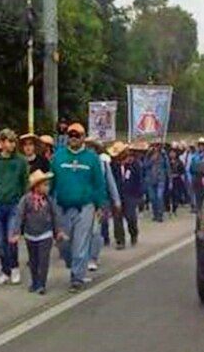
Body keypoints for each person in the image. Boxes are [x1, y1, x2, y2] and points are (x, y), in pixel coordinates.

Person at [50, 123, 107, 293]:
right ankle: (72, 263)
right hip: (63, 206)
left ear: (83, 137)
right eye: (71, 135)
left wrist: (100, 205)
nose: (73, 138)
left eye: (77, 135)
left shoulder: (92, 158)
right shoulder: (58, 157)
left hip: (85, 206)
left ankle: (77, 277)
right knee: (64, 244)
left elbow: (99, 184)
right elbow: (51, 182)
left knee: (80, 244)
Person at [8, 170, 65, 294]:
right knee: (33, 260)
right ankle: (34, 281)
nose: (47, 187)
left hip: (46, 234)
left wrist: (58, 231)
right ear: (36, 186)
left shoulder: (49, 200)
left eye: (48, 185)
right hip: (30, 234)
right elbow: (19, 215)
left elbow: (55, 215)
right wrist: (16, 232)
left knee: (43, 260)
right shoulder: (26, 199)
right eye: (45, 185)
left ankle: (42, 284)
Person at [0, 129, 29, 286]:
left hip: (14, 204)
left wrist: (23, 203)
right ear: (1, 142)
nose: (12, 145)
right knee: (0, 241)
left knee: (11, 239)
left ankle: (14, 267)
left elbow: (24, 183)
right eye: (9, 141)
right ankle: (4, 270)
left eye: (13, 142)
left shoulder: (20, 161)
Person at [88, 139, 121, 274]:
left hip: (99, 201)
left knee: (96, 231)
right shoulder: (78, 163)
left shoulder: (102, 163)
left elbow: (110, 181)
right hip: (82, 201)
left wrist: (116, 200)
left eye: (92, 149)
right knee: (83, 232)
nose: (90, 151)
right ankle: (83, 255)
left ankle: (93, 258)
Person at [111, 142, 143, 249]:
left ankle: (134, 234)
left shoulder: (134, 164)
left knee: (130, 217)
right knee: (117, 218)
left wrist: (140, 196)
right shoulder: (113, 165)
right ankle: (120, 240)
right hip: (117, 195)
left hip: (131, 195)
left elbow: (139, 180)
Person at [142, 144, 170, 223]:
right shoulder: (148, 155)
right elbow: (144, 166)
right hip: (150, 180)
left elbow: (167, 167)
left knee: (159, 197)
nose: (156, 148)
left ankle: (160, 215)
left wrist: (170, 180)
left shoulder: (163, 155)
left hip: (160, 179)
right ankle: (155, 214)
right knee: (152, 198)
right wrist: (151, 160)